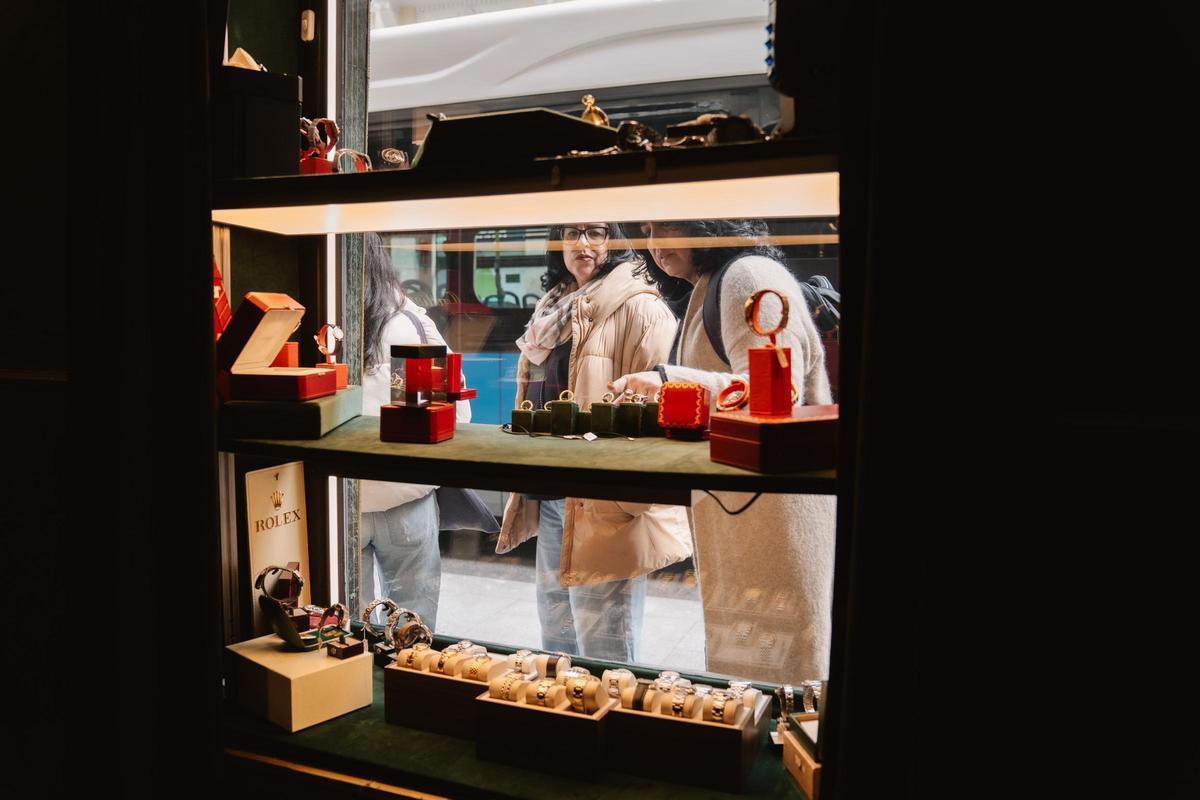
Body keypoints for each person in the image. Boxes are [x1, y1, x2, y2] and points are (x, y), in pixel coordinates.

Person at [610, 218, 836, 683]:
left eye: (667, 226)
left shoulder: (748, 277)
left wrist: (668, 382)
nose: (654, 244)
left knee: (782, 667)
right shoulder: (717, 282)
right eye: (647, 229)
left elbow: (779, 394)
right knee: (750, 658)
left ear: (708, 223)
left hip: (774, 513)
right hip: (746, 508)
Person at [495, 222, 691, 662]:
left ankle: (612, 732)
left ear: (616, 239)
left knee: (605, 652)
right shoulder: (555, 307)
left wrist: (630, 502)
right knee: (558, 644)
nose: (582, 244)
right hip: (550, 496)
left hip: (602, 505)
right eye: (571, 232)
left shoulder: (641, 308)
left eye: (597, 231)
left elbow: (661, 413)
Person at [359, 232, 471, 630]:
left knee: (349, 632)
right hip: (407, 499)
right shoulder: (412, 324)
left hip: (342, 500)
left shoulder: (323, 322)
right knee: (413, 627)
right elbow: (458, 415)